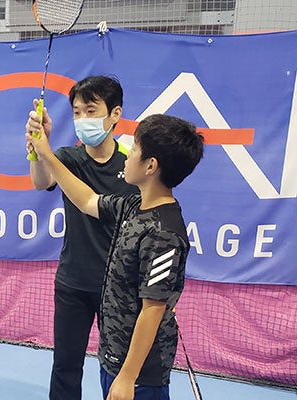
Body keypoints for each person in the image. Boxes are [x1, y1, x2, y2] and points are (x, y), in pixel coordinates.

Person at [27, 113, 204, 400]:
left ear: (151, 166)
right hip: (113, 358)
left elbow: (153, 309)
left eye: (134, 149)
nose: (127, 154)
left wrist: (128, 377)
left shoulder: (164, 233)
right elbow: (87, 200)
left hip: (140, 375)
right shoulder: (134, 205)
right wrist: (45, 154)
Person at [26, 75, 138, 400]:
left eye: (91, 111)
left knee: (116, 368)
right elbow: (40, 182)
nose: (82, 119)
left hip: (117, 288)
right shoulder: (68, 158)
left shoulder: (132, 163)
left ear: (115, 114)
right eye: (76, 112)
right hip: (73, 282)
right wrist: (38, 148)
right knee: (65, 365)